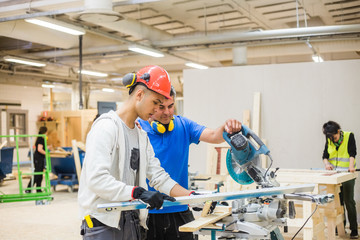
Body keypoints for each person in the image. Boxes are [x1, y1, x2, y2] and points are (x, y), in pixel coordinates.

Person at [78, 65, 193, 240]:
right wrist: (137, 193)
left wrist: (193, 197)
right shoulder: (107, 127)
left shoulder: (141, 135)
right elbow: (96, 179)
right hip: (103, 223)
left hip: (131, 220)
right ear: (139, 95)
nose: (157, 111)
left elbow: (158, 176)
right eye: (155, 103)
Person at [138, 87, 242, 240]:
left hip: (180, 208)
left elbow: (214, 136)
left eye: (170, 106)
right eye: (161, 107)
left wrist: (227, 127)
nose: (167, 112)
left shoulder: (183, 125)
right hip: (147, 213)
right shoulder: (138, 128)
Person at [322, 120, 358, 239]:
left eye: (335, 137)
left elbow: (352, 153)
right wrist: (327, 164)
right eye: (331, 138)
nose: (333, 140)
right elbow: (325, 156)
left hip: (347, 174)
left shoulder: (349, 136)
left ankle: (353, 229)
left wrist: (351, 166)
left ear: (338, 131)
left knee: (349, 201)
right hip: (334, 176)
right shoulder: (329, 138)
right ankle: (340, 227)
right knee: (338, 202)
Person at [25, 126, 48, 193]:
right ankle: (28, 188)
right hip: (38, 158)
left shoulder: (40, 138)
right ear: (45, 132)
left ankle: (38, 189)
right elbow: (39, 149)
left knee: (40, 174)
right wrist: (46, 153)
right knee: (37, 173)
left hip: (39, 158)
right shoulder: (41, 138)